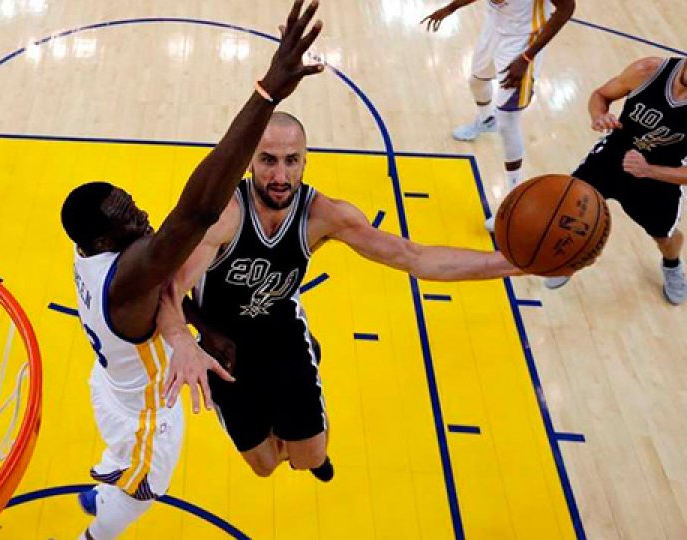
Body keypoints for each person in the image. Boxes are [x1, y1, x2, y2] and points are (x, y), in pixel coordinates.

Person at [59, 2, 324, 538]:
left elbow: (161, 290)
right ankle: (99, 523)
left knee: (116, 451)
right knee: (131, 504)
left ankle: (106, 478)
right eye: (128, 217)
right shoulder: (128, 278)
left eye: (132, 203)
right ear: (105, 240)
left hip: (109, 386)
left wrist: (200, 326)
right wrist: (266, 95)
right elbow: (198, 210)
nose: (142, 216)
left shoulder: (88, 252)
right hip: (146, 418)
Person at [157, 111, 527, 482]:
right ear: (250, 160)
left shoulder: (324, 215)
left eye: (291, 161)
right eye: (268, 160)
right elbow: (168, 290)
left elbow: (414, 257)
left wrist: (511, 264)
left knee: (311, 456)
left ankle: (306, 420)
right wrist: (184, 340)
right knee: (265, 467)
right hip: (224, 347)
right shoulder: (225, 217)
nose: (280, 176)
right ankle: (285, 420)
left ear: (305, 161)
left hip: (281, 334)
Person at [543, 57, 687, 303]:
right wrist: (599, 115)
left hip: (660, 177)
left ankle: (672, 266)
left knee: (664, 237)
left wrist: (648, 170)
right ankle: (568, 259)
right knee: (569, 210)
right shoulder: (647, 71)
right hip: (611, 159)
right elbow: (600, 94)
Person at [422, 0, 575, 231]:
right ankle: (486, 120)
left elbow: (566, 9)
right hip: (494, 28)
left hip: (523, 42)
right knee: (476, 81)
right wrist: (451, 7)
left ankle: (514, 197)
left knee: (508, 122)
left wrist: (526, 57)